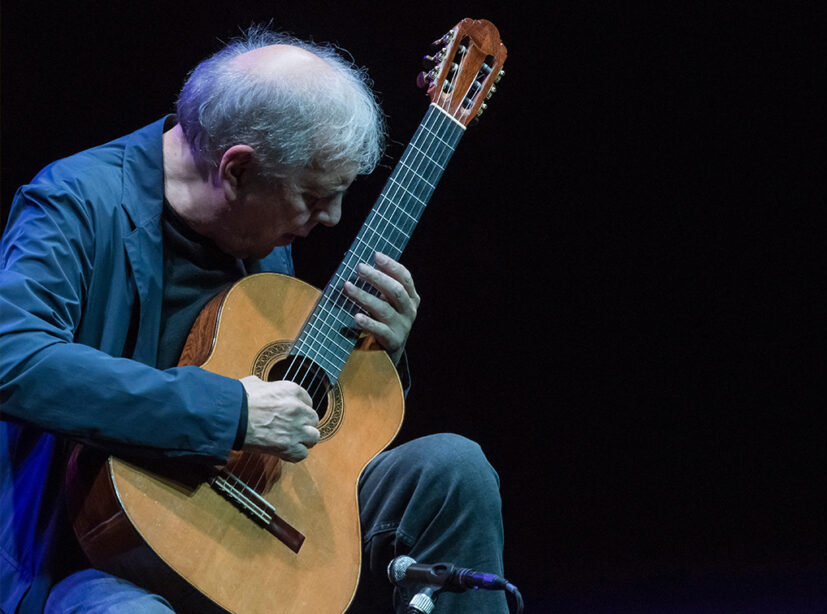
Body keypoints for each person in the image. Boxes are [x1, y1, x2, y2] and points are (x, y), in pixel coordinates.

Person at [0, 28, 506, 614]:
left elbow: (291, 396)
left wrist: (375, 349)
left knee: (452, 469)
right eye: (314, 198)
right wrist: (229, 412)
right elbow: (14, 359)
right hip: (90, 546)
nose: (333, 218)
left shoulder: (258, 229)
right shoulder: (73, 203)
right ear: (236, 170)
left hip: (248, 508)